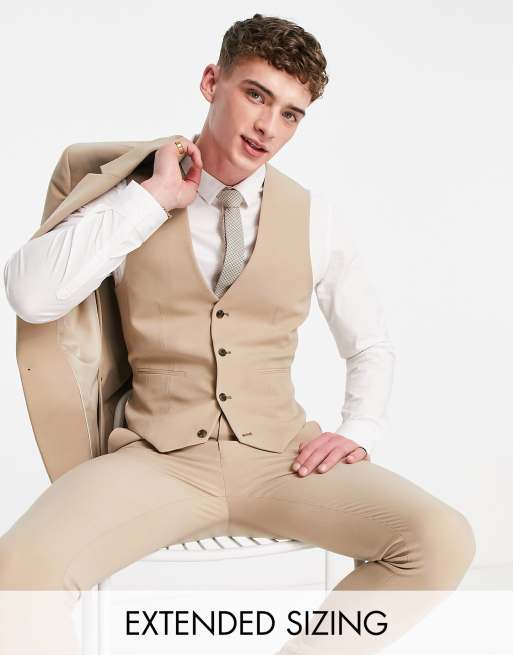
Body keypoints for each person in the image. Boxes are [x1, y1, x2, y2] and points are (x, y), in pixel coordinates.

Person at [1, 13, 475, 655]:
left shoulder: (315, 218)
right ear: (211, 82)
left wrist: (358, 429)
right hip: (157, 460)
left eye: (290, 114)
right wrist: (151, 200)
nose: (268, 127)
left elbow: (370, 343)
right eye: (256, 95)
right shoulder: (133, 193)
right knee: (18, 574)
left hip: (283, 461)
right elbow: (30, 296)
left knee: (440, 538)